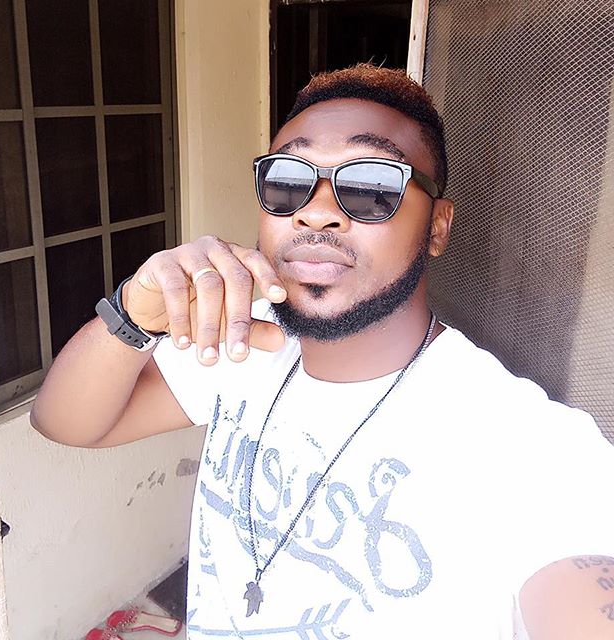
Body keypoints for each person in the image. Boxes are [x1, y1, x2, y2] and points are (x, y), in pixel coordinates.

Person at [31, 64, 614, 639]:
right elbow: (63, 422)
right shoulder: (243, 341)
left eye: (372, 184)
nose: (315, 210)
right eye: (288, 179)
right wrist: (132, 316)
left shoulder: (531, 448)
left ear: (437, 227)